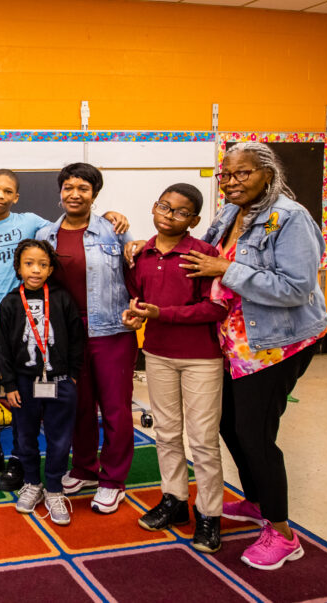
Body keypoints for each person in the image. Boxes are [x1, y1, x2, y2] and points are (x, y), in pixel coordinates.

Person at [183, 142, 327, 570]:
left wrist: (226, 271)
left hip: (276, 345)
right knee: (228, 424)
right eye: (226, 175)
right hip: (234, 341)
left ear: (268, 173)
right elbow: (202, 256)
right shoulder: (230, 213)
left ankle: (282, 533)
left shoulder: (291, 217)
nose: (231, 182)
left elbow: (296, 287)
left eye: (242, 174)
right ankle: (258, 500)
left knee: (255, 434)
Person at [122, 183, 228, 553]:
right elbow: (138, 299)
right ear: (154, 207)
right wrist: (135, 316)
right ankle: (174, 501)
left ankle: (210, 515)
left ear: (195, 220)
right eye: (164, 207)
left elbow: (217, 308)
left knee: (202, 440)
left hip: (202, 358)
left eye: (180, 212)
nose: (169, 215)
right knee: (166, 432)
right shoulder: (142, 254)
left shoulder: (204, 254)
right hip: (157, 354)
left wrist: (161, 314)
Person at [36, 162, 136, 514]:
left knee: (115, 409)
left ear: (94, 193)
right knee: (75, 405)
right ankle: (84, 468)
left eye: (83, 188)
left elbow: (133, 276)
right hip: (66, 335)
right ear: (60, 192)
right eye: (68, 187)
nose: (74, 194)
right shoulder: (47, 234)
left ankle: (113, 480)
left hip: (111, 332)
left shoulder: (114, 230)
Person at [0, 239, 84, 526]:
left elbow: (75, 337)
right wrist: (9, 384)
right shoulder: (10, 302)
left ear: (51, 269)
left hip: (60, 380)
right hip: (23, 383)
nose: (36, 270)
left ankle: (55, 489)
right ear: (18, 267)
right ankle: (33, 483)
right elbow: (3, 349)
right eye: (29, 264)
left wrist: (72, 373)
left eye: (43, 265)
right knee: (25, 436)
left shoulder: (61, 298)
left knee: (60, 439)